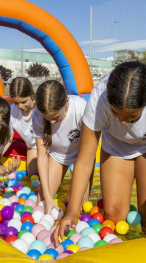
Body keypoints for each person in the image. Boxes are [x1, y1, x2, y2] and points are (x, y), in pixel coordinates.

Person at [54, 61, 146, 243]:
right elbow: (85, 161)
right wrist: (72, 211)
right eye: (117, 114)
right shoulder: (98, 100)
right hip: (115, 146)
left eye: (132, 116)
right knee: (113, 218)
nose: (123, 123)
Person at [33, 80, 93, 215]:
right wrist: (47, 196)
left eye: (56, 117)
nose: (52, 122)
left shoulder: (81, 109)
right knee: (42, 207)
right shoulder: (37, 115)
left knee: (81, 209)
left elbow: (87, 155)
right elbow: (42, 156)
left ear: (66, 101)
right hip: (58, 155)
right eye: (48, 119)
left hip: (82, 156)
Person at [4, 77, 38, 177]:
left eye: (24, 102)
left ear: (32, 95)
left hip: (50, 148)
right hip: (33, 147)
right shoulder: (12, 112)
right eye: (16, 103)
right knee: (33, 178)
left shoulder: (41, 109)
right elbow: (9, 139)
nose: (20, 106)